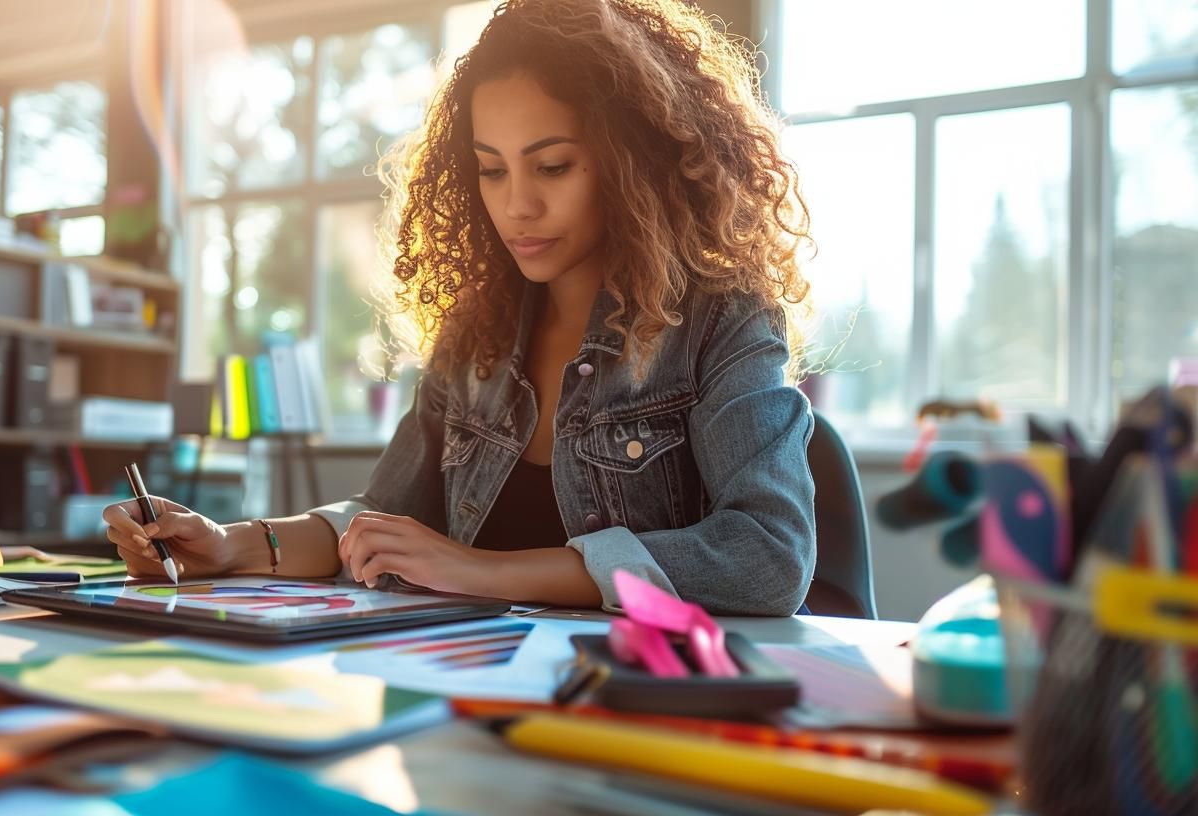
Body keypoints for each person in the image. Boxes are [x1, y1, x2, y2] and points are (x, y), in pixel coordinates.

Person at [105, 0, 817, 615]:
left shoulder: (724, 322)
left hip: (641, 709)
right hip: (476, 694)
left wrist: (482, 572)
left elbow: (769, 554)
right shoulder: (474, 337)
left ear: (634, 163)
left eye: (552, 166)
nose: (518, 205)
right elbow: (379, 522)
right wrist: (230, 545)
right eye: (491, 168)